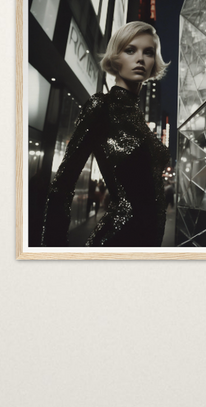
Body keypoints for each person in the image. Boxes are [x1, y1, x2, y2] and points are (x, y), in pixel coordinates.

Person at [39, 21, 170, 248]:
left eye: (148, 52)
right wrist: (54, 252)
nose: (140, 58)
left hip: (148, 247)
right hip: (118, 241)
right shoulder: (102, 107)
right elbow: (62, 186)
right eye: (130, 50)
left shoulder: (138, 118)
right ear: (116, 57)